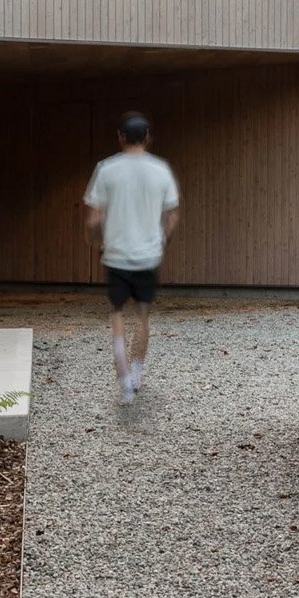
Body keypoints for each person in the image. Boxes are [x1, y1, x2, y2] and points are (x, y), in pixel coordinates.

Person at [84, 112, 179, 404]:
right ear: (148, 136)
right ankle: (138, 371)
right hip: (148, 257)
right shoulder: (161, 169)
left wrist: (97, 242)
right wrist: (161, 239)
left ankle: (124, 378)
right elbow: (172, 214)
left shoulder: (106, 169)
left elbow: (93, 218)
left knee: (116, 316)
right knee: (143, 316)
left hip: (116, 257)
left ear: (121, 137)